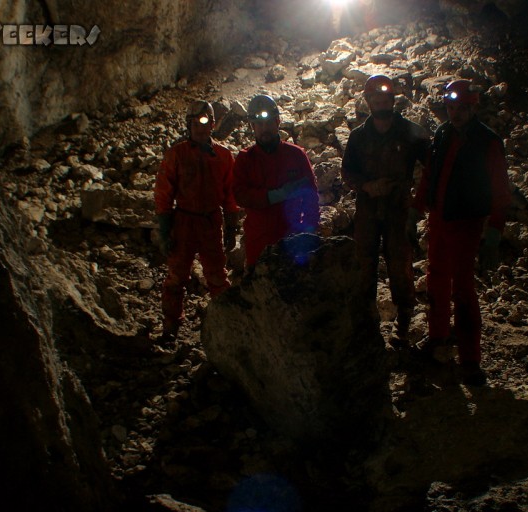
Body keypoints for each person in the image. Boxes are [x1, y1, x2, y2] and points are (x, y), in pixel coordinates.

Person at [414, 79, 512, 385]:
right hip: (440, 220)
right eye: (451, 107)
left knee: (463, 289)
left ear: (473, 108)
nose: (455, 114)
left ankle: (470, 359)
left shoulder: (487, 141)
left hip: (466, 224)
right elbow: (430, 175)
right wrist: (415, 209)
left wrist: (494, 232)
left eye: (461, 108)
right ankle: (437, 337)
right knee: (436, 278)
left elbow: (500, 188)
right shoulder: (443, 134)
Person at [341, 74, 427, 348]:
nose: (380, 103)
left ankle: (403, 324)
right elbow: (347, 171)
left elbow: (433, 164)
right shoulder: (358, 137)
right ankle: (367, 324)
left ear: (392, 100)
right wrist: (367, 185)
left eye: (384, 99)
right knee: (365, 264)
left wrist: (417, 197)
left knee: (400, 264)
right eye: (375, 99)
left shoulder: (410, 132)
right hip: (367, 209)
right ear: (368, 102)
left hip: (398, 209)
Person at [154, 99, 240, 344]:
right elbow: (163, 193)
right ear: (188, 125)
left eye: (205, 122)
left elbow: (230, 194)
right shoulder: (177, 154)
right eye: (195, 123)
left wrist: (232, 227)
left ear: (212, 124)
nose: (200, 128)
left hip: (211, 222)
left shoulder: (223, 155)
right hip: (184, 221)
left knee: (217, 277)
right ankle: (171, 326)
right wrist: (165, 228)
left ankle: (226, 326)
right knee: (176, 276)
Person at [232, 94, 320, 270]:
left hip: (291, 236)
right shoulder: (245, 159)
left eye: (269, 123)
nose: (265, 129)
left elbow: (311, 198)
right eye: (259, 124)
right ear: (253, 126)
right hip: (259, 240)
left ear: (278, 122)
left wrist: (308, 232)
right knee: (258, 290)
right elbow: (239, 196)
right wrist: (274, 196)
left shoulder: (296, 155)